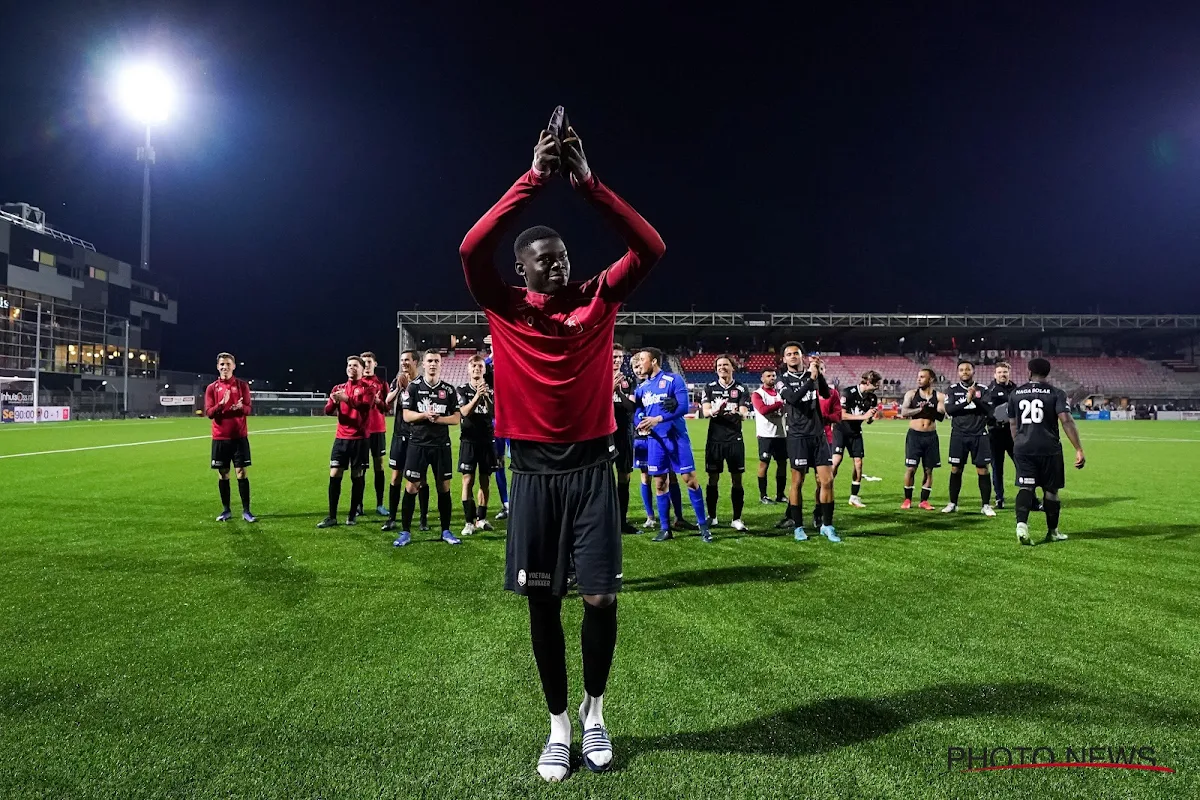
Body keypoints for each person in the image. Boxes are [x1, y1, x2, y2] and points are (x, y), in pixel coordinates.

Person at [460, 121, 664, 780]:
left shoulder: (597, 299)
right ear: (521, 268)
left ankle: (595, 713)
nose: (558, 262)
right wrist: (533, 179)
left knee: (600, 599)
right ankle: (555, 728)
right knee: (542, 602)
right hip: (533, 476)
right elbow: (470, 250)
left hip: (591, 471)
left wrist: (588, 183)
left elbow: (651, 247)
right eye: (544, 257)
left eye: (563, 254)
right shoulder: (505, 305)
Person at [636, 347, 712, 543]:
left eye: (642, 359)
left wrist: (658, 419)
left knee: (690, 480)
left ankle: (703, 526)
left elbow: (683, 407)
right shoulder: (642, 388)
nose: (639, 363)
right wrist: (640, 423)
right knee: (660, 483)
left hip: (676, 438)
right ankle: (665, 528)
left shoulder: (673, 380)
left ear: (653, 361)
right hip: (655, 441)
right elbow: (638, 411)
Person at [1007, 358, 1085, 545]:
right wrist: (1078, 448)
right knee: (1051, 491)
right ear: (1048, 373)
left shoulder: (1016, 393)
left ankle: (1021, 525)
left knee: (1025, 487)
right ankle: (1053, 532)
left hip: (1023, 447)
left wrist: (1018, 442)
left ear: (1029, 371)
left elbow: (1012, 423)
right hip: (1048, 448)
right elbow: (1066, 420)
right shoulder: (1056, 393)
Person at [396, 350, 462, 546]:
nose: (433, 364)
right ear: (423, 364)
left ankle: (446, 531)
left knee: (444, 487)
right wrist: (425, 415)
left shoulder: (449, 390)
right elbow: (407, 416)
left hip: (441, 445)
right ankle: (405, 532)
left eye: (436, 361)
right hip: (418, 444)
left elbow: (457, 418)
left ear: (440, 365)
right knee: (411, 486)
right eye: (430, 361)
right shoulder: (414, 388)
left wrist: (438, 418)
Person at [777, 343, 839, 543]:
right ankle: (798, 527)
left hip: (818, 435)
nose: (793, 356)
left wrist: (818, 373)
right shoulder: (782, 380)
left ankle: (827, 526)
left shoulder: (811, 374)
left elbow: (826, 394)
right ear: (784, 359)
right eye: (789, 354)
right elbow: (793, 399)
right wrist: (810, 379)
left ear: (802, 356)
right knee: (797, 482)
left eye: (796, 353)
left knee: (827, 481)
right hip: (797, 437)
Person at [318, 355, 377, 528]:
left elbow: (366, 406)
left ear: (361, 368)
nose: (351, 367)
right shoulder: (339, 388)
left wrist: (346, 399)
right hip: (341, 438)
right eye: (349, 365)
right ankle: (332, 516)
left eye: (355, 365)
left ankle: (352, 515)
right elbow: (328, 411)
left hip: (360, 439)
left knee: (356, 476)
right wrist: (334, 401)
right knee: (335, 474)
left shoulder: (368, 388)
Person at [204, 352, 255, 523]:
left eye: (228, 364)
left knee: (241, 472)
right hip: (220, 438)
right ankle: (226, 510)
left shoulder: (242, 386)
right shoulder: (212, 388)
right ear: (218, 367)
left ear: (234, 366)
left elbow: (249, 409)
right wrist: (221, 404)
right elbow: (209, 413)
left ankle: (247, 511)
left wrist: (241, 407)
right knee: (223, 473)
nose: (225, 367)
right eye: (222, 364)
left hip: (239, 437)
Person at [701, 355, 750, 531]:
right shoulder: (709, 388)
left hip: (734, 439)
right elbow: (705, 412)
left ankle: (736, 519)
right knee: (712, 478)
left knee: (737, 479)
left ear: (732, 368)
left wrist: (737, 412)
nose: (722, 367)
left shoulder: (741, 388)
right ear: (716, 369)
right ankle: (712, 517)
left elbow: (744, 414)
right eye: (719, 365)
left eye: (726, 365)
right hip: (715, 439)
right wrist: (716, 410)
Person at [383, 350, 430, 532]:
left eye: (407, 360)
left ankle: (423, 518)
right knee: (395, 477)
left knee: (421, 479)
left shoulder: (421, 383)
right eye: (402, 360)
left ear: (416, 362)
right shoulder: (398, 380)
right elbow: (387, 401)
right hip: (398, 436)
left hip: (417, 437)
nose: (404, 363)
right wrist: (398, 388)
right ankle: (392, 517)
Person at [942, 360, 996, 516]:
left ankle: (985, 505)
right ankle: (953, 503)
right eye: (961, 369)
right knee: (956, 468)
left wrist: (975, 399)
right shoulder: (952, 390)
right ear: (958, 372)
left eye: (968, 369)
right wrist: (966, 401)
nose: (964, 372)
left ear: (974, 371)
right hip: (959, 434)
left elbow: (989, 411)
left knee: (983, 470)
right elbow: (950, 410)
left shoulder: (984, 389)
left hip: (979, 434)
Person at [457, 354, 497, 537]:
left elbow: (495, 412)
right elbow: (464, 412)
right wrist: (477, 397)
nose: (477, 369)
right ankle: (468, 521)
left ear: (484, 369)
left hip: (487, 441)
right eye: (473, 367)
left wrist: (486, 397)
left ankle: (481, 519)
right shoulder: (462, 390)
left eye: (480, 366)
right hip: (469, 441)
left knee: (485, 481)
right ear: (468, 369)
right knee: (467, 481)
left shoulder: (491, 390)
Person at [834, 370, 881, 508]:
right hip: (841, 430)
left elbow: (868, 419)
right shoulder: (848, 392)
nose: (878, 386)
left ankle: (854, 497)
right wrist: (864, 416)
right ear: (867, 382)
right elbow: (841, 415)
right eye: (876, 383)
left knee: (858, 463)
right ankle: (825, 488)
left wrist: (871, 417)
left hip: (855, 432)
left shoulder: (872, 398)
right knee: (836, 461)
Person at [900, 367, 945, 510]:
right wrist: (920, 410)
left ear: (930, 379)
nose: (918, 379)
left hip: (931, 436)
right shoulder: (911, 394)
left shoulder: (939, 396)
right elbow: (904, 412)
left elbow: (942, 414)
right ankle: (907, 499)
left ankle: (924, 501)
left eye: (922, 377)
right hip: (915, 436)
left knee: (928, 470)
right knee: (911, 468)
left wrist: (934, 410)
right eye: (918, 376)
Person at [751, 368, 789, 518]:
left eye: (774, 375)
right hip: (765, 435)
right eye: (768, 376)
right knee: (764, 464)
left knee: (782, 464)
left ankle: (780, 494)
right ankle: (763, 495)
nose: (772, 378)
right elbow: (763, 409)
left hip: (781, 434)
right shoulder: (757, 394)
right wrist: (780, 404)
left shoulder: (781, 393)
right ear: (762, 378)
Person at [612, 344, 639, 535]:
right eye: (614, 357)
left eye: (620, 357)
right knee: (602, 477)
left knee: (624, 475)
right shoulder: (598, 375)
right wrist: (608, 388)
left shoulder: (629, 379)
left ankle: (622, 520)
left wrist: (618, 392)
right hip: (604, 433)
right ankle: (604, 520)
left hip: (624, 432)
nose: (617, 360)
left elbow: (631, 407)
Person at [360, 351, 391, 516]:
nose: (366, 365)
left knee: (379, 466)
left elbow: (388, 408)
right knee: (360, 469)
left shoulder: (382, 383)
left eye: (369, 362)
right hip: (361, 432)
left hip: (378, 430)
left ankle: (380, 504)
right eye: (363, 362)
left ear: (375, 364)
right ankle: (359, 505)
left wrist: (380, 402)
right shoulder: (356, 383)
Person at [984, 361, 1017, 509]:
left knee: (1022, 465)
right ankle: (999, 498)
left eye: (1005, 372)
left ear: (1009, 373)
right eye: (1000, 372)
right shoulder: (989, 390)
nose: (1002, 375)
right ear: (994, 374)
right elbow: (987, 412)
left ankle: (1031, 497)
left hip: (1014, 434)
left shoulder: (1016, 389)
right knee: (997, 468)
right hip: (995, 433)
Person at [812, 381, 842, 530]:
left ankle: (820, 513)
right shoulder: (805, 390)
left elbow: (837, 416)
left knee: (823, 480)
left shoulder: (832, 393)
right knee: (797, 481)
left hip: (825, 440)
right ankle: (791, 515)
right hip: (803, 439)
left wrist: (823, 418)